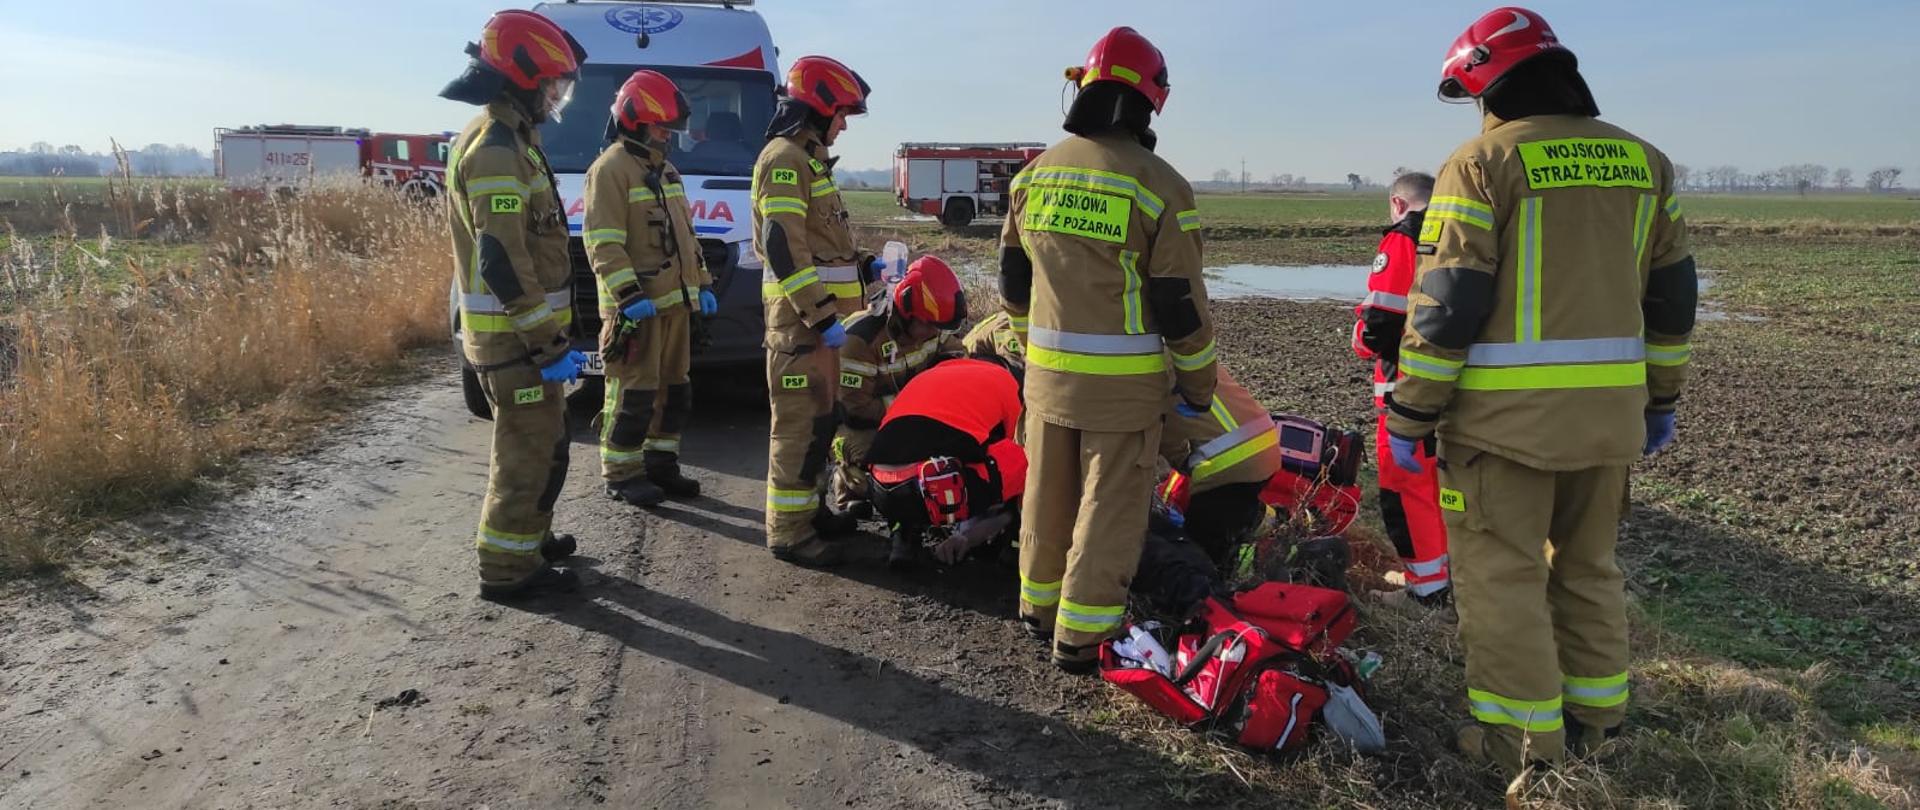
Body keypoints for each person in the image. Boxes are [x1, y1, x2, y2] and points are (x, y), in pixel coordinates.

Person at [1386, 7, 1695, 774]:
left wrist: (1411, 410)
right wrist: (1661, 400)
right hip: (1609, 425)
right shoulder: (1645, 164)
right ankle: (1600, 724)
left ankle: (1519, 748)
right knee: (1590, 570)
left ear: (1488, 82)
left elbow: (1450, 304)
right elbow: (1672, 299)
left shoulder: (1482, 164)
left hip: (1501, 430)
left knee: (1503, 582)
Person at [1003, 27, 1217, 673]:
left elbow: (1015, 283)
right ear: (1150, 101)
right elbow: (1180, 305)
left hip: (1045, 381)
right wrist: (1199, 388)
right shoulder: (1159, 185)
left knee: (1047, 495)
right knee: (1108, 510)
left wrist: (1027, 349)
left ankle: (1038, 611)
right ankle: (1082, 637)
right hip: (1122, 395)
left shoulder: (1034, 174)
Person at [439, 10, 589, 600]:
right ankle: (507, 569)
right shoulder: (497, 148)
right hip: (516, 340)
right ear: (522, 78)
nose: (557, 96)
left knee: (548, 439)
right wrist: (546, 341)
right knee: (524, 453)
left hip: (528, 337)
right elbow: (501, 259)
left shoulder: (515, 140)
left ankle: (531, 537)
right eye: (553, 84)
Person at [752, 55, 885, 567]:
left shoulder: (806, 161)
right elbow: (783, 246)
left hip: (823, 329)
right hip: (804, 330)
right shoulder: (785, 159)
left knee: (821, 424)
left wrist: (863, 266)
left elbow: (819, 242)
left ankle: (812, 511)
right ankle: (789, 533)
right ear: (821, 107)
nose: (846, 124)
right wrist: (823, 317)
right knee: (797, 430)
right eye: (843, 113)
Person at [584, 70, 715, 508]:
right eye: (661, 126)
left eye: (669, 127)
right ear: (634, 121)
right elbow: (602, 241)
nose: (668, 135)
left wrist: (703, 285)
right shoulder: (611, 170)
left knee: (675, 392)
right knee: (633, 395)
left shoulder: (667, 171)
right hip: (635, 312)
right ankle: (621, 473)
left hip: (675, 306)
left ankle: (661, 466)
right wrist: (629, 297)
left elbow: (686, 237)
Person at [1352, 171, 1453, 607]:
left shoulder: (1403, 237)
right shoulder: (1463, 233)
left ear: (1398, 204)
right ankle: (1452, 583)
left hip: (1406, 391)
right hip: (1462, 389)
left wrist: (1359, 336)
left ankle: (1426, 593)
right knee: (1451, 491)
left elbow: (1381, 325)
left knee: (1407, 492)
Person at [829, 255, 967, 519]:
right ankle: (849, 481)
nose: (933, 333)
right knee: (887, 456)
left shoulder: (934, 328)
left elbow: (957, 358)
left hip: (913, 419)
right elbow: (855, 410)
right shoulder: (860, 339)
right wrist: (915, 406)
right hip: (864, 426)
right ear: (906, 313)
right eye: (927, 325)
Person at [864, 356, 1026, 569]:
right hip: (937, 491)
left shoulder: (928, 376)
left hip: (880, 490)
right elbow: (1022, 450)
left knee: (922, 456)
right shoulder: (1008, 383)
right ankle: (1012, 542)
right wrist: (970, 536)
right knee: (1025, 459)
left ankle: (904, 532)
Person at [1157, 366, 1281, 567]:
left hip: (1229, 462)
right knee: (1231, 508)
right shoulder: (1174, 347)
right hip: (1264, 440)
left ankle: (1262, 561)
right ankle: (1273, 525)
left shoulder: (1137, 369)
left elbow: (1159, 434)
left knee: (1199, 560)